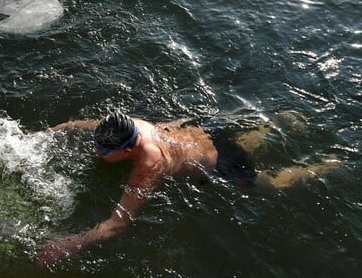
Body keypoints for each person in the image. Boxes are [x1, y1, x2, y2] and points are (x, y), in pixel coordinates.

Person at [37, 111, 340, 267]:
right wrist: (44, 135)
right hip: (204, 131)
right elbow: (77, 124)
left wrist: (71, 244)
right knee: (239, 144)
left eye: (104, 152)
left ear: (129, 150)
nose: (97, 152)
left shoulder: (149, 167)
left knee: (270, 185)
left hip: (220, 163)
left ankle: (321, 167)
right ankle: (270, 126)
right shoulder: (127, 125)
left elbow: (118, 225)